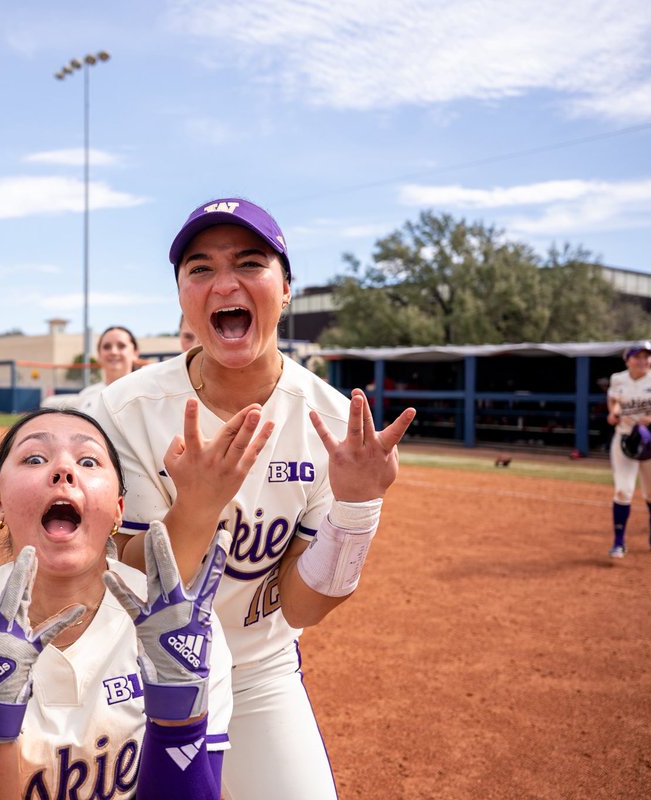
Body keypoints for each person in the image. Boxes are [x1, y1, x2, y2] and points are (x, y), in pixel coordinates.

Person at [89, 197, 416, 800]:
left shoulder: (332, 423)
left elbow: (302, 609)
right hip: (132, 672)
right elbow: (117, 581)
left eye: (249, 262)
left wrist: (357, 508)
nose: (224, 283)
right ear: (183, 297)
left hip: (256, 668)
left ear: (286, 289)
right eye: (200, 268)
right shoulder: (120, 411)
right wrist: (195, 508)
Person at [0, 408, 235, 799]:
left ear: (117, 512)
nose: (63, 470)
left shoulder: (183, 630)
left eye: (88, 460)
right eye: (35, 459)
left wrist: (180, 714)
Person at [604, 340, 651, 558]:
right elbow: (614, 398)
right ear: (627, 360)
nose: (643, 360)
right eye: (637, 356)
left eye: (647, 356)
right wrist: (614, 412)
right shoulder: (618, 379)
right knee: (622, 490)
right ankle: (619, 542)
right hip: (625, 438)